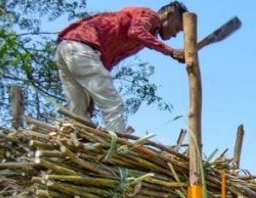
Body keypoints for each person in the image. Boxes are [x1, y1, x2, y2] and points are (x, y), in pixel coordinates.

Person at [56, 3, 187, 133]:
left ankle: (79, 142)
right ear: (168, 15)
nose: (175, 35)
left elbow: (108, 62)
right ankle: (116, 142)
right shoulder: (150, 16)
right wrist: (171, 52)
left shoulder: (144, 37)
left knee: (79, 111)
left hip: (68, 47)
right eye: (177, 28)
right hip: (80, 47)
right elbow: (136, 31)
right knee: (112, 102)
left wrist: (92, 97)